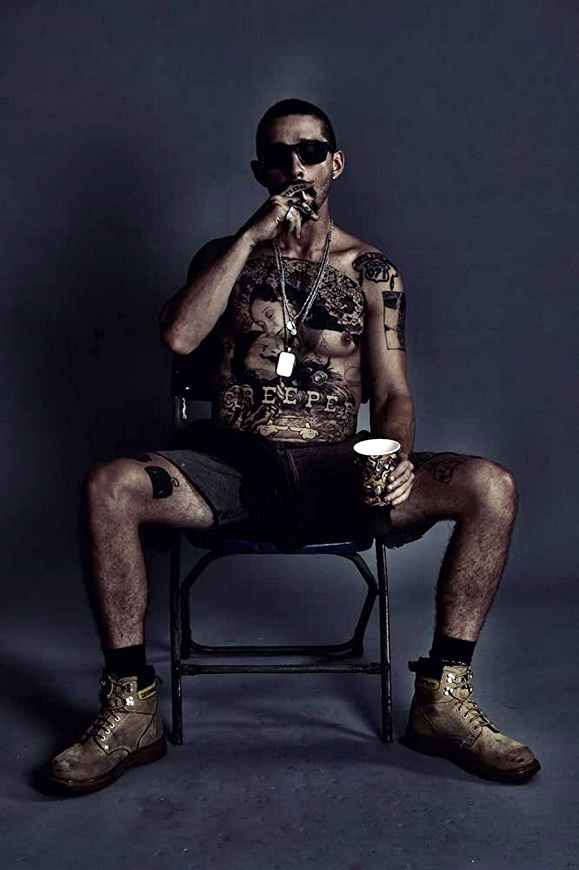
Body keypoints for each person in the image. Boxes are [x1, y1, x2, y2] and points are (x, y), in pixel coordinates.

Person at [45, 98, 540, 795]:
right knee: (109, 484)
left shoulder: (371, 270)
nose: (295, 167)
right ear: (260, 172)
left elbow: (392, 393)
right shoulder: (223, 257)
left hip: (338, 470)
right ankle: (131, 708)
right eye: (278, 157)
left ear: (335, 163)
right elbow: (180, 339)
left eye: (309, 152)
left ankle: (443, 699)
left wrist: (395, 454)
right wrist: (251, 236)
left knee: (490, 484)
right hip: (229, 467)